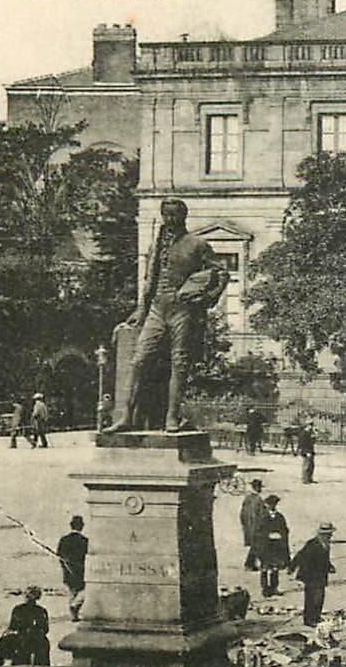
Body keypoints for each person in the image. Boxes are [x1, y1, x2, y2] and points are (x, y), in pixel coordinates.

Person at [107, 197, 228, 433]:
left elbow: (221, 273)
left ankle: (172, 417)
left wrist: (205, 297)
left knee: (179, 363)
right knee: (139, 361)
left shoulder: (197, 244)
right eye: (166, 215)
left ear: (184, 216)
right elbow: (149, 282)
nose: (170, 220)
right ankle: (126, 417)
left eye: (175, 215)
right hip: (156, 308)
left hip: (182, 309)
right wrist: (141, 309)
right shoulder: (156, 246)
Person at [290, 522, 335, 626]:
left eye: (330, 534)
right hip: (311, 576)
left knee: (319, 598)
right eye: (328, 534)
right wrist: (292, 567)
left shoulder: (326, 545)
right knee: (311, 599)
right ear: (322, 534)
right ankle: (309, 620)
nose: (330, 537)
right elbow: (300, 555)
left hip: (321, 576)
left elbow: (325, 560)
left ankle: (316, 617)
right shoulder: (312, 544)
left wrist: (330, 566)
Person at [0, 586, 51, 666]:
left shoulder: (18, 609)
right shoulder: (41, 610)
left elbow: (13, 626)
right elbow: (45, 629)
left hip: (22, 639)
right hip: (37, 639)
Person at [56, 516, 90, 622]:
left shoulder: (64, 539)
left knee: (72, 592)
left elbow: (59, 556)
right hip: (81, 571)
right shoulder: (85, 540)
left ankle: (73, 613)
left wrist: (65, 567)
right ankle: (74, 610)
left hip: (68, 570)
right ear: (82, 527)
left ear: (71, 526)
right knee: (82, 592)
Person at [256, 494, 290, 597]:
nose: (272, 506)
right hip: (266, 546)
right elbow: (258, 531)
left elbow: (285, 529)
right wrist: (267, 535)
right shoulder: (263, 517)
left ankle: (274, 587)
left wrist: (281, 535)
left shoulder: (280, 516)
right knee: (265, 567)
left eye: (274, 504)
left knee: (275, 567)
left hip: (277, 545)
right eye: (270, 504)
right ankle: (265, 589)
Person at [239, 478, 266, 571]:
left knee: (255, 546)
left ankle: (253, 564)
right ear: (258, 488)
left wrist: (245, 525)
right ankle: (251, 564)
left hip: (248, 527)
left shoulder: (247, 498)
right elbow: (262, 515)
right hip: (257, 527)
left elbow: (242, 514)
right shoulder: (259, 500)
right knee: (258, 546)